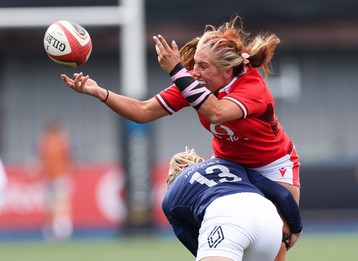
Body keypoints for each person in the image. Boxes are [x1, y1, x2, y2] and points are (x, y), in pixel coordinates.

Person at [60, 15, 301, 255]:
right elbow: (143, 112)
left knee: (279, 243)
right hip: (231, 164)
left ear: (227, 73)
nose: (194, 72)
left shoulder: (252, 87)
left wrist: (176, 70)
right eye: (194, 63)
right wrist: (100, 93)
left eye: (203, 67)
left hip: (273, 165)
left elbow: (216, 113)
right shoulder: (194, 84)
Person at [162, 148, 302, 261]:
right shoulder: (228, 164)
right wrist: (297, 228)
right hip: (269, 220)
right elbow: (282, 194)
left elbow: (194, 244)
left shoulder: (171, 196)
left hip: (226, 217)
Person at [38, 118, 73, 242]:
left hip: (59, 176)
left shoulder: (58, 139)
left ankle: (61, 231)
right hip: (51, 176)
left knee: (59, 205)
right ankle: (55, 232)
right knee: (53, 205)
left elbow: (67, 157)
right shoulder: (48, 140)